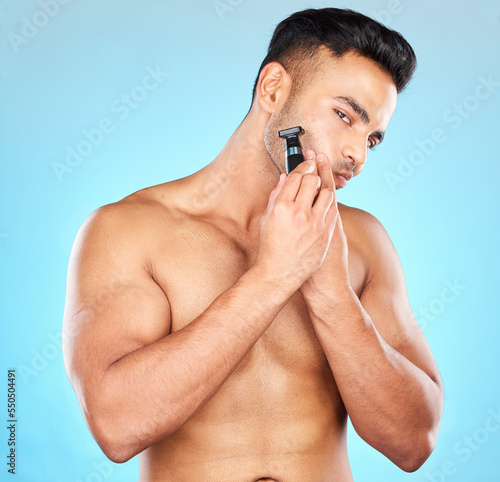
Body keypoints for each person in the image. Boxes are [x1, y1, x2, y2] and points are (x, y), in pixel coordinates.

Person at [63, 7, 444, 481]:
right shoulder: (127, 231)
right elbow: (116, 427)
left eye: (374, 138)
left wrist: (330, 293)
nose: (357, 155)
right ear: (273, 89)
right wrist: (275, 276)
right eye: (344, 116)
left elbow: (414, 442)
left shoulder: (362, 242)